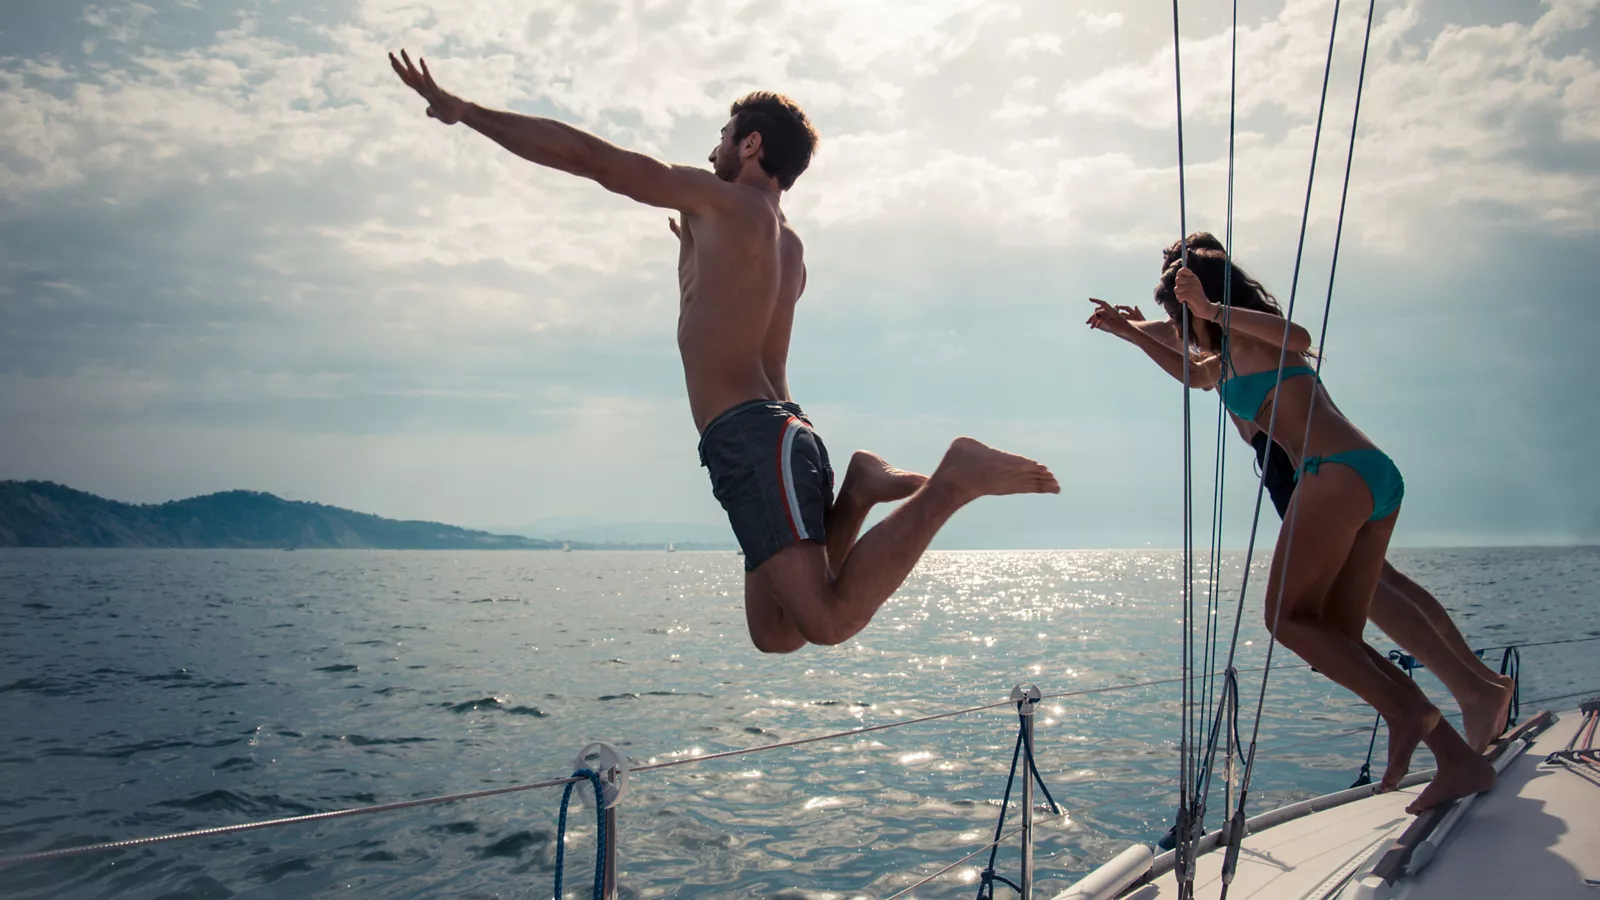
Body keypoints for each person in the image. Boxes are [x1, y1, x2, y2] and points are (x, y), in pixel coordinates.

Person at [388, 51, 1059, 654]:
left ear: (751, 143)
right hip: (785, 430)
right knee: (775, 634)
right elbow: (722, 333)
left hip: (748, 436)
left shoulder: (724, 204)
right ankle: (854, 492)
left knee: (823, 623)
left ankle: (953, 481)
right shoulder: (788, 248)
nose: (714, 147)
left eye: (722, 134)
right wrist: (689, 256)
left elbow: (594, 160)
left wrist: (466, 111)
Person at [1084, 240, 1494, 813]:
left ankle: (1416, 714)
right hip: (1366, 476)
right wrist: (1131, 333)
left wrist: (1207, 308)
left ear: (1211, 299)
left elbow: (1299, 337)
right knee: (1340, 640)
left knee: (1284, 618)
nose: (1182, 325)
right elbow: (1194, 374)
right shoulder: (1226, 358)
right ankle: (1456, 758)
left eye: (1184, 314)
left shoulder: (1253, 335)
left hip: (1336, 473)